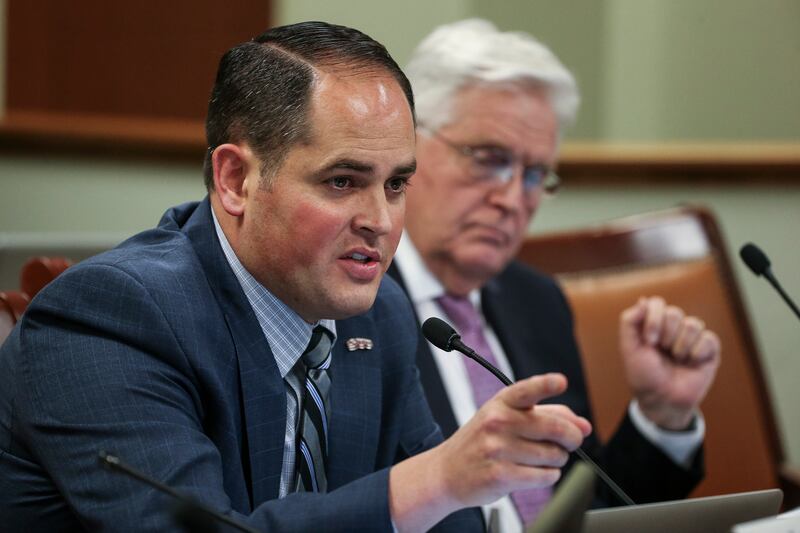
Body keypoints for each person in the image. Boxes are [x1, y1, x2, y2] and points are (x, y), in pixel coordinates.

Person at [0, 21, 595, 532]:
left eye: (395, 185)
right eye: (343, 182)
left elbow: (450, 521)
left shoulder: (381, 315)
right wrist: (435, 479)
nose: (382, 222)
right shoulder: (112, 316)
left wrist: (448, 488)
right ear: (235, 180)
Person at [388, 19, 722, 531]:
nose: (512, 199)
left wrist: (661, 415)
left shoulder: (536, 301)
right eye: (489, 159)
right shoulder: (350, 303)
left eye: (535, 174)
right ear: (409, 145)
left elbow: (590, 511)